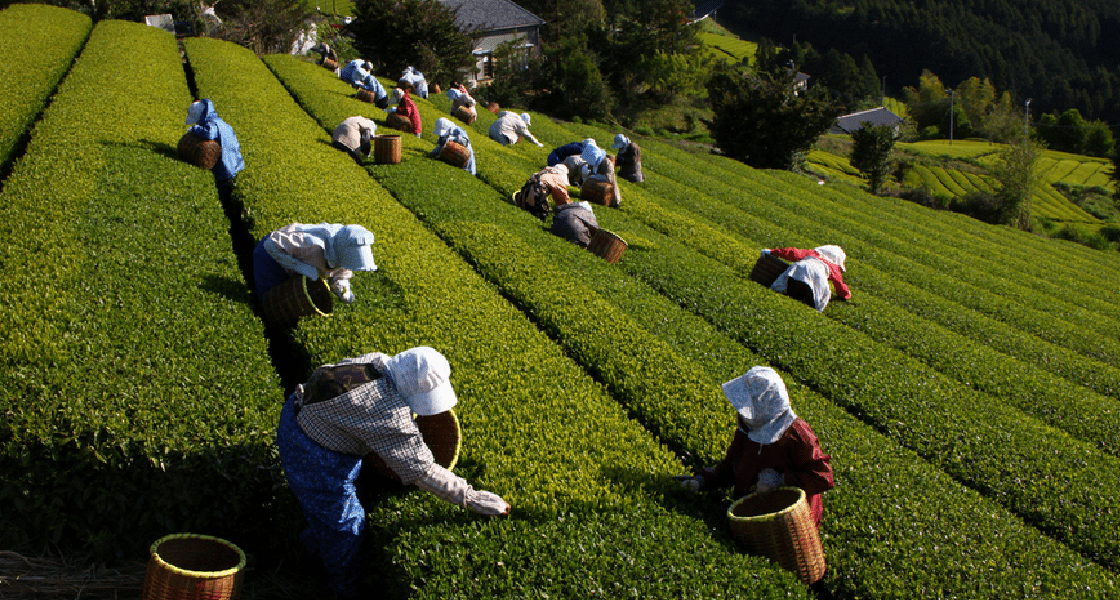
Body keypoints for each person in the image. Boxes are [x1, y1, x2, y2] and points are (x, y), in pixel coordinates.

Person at [277, 347, 511, 600]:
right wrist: (470, 497)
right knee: (345, 525)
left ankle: (311, 546)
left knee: (327, 510)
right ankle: (344, 589)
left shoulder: (377, 362)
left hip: (296, 412)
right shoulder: (384, 410)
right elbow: (421, 470)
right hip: (311, 453)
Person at [677, 366, 834, 530]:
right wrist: (703, 480)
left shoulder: (796, 435)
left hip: (790, 523)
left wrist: (781, 480)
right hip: (751, 512)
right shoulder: (749, 426)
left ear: (763, 406)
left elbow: (823, 477)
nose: (740, 411)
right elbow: (732, 465)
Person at [252, 223, 377, 304]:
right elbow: (270, 245)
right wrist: (301, 267)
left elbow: (341, 273)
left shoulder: (344, 253)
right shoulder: (309, 244)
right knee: (269, 300)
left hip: (295, 260)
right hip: (271, 256)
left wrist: (343, 290)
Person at [185, 98, 244, 202]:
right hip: (234, 162)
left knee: (223, 192)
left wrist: (194, 129)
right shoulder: (219, 122)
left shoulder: (213, 124)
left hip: (226, 165)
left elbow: (209, 133)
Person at [763, 245, 851, 312]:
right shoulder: (834, 266)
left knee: (794, 292)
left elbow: (792, 253)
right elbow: (839, 285)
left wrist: (772, 252)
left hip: (799, 269)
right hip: (817, 277)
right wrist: (846, 295)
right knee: (814, 302)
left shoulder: (812, 253)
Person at [580, 138, 622, 208]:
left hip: (606, 181)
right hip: (597, 181)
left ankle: (615, 202)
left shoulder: (606, 163)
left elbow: (609, 179)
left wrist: (595, 176)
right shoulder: (592, 162)